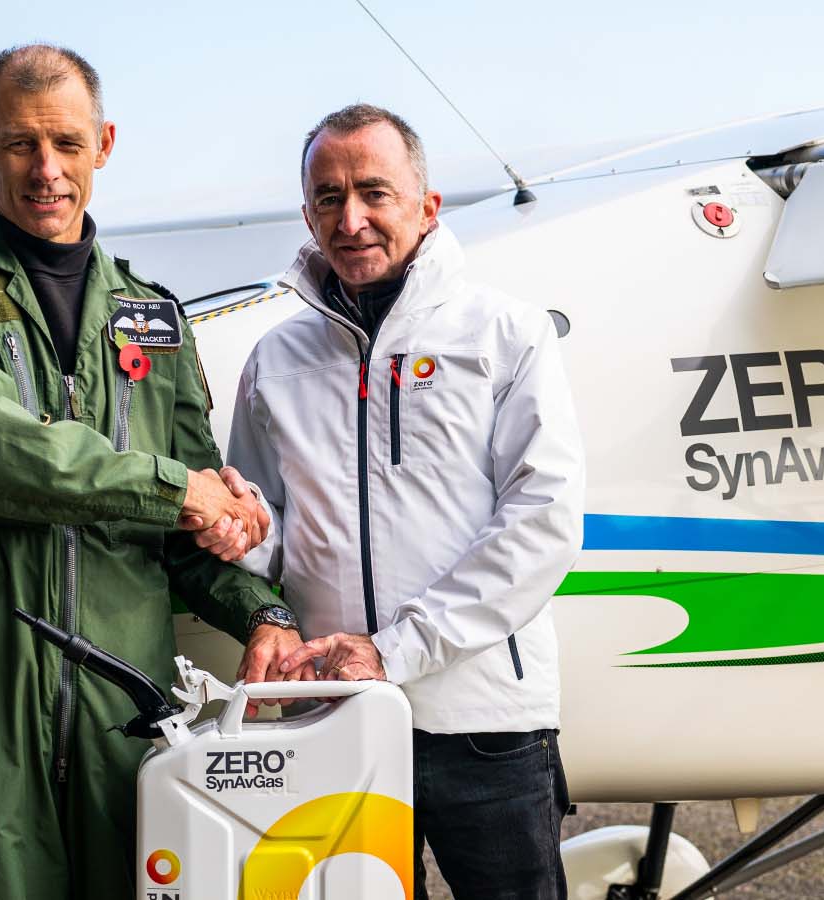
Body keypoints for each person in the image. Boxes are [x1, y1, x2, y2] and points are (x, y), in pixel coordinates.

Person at [0, 43, 304, 899]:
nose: (46, 170)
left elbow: (189, 518)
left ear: (104, 144)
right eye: (20, 144)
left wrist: (263, 611)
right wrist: (180, 490)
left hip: (128, 704)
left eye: (67, 144)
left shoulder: (152, 315)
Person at [203, 103, 585, 898]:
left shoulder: (506, 336)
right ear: (307, 214)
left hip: (485, 725)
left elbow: (542, 522)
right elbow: (274, 533)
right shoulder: (275, 360)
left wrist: (396, 650)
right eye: (328, 197)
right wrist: (239, 532)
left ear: (427, 205)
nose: (352, 219)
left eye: (375, 192)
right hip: (333, 715)